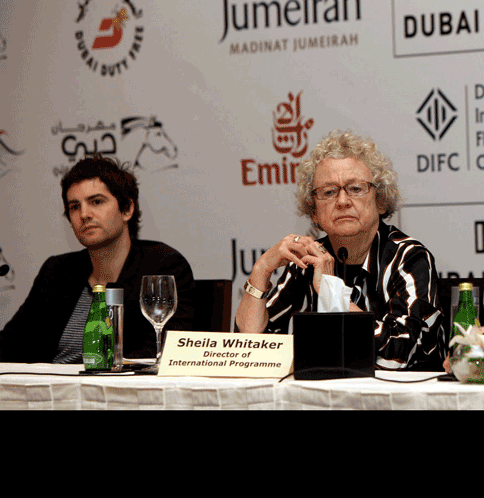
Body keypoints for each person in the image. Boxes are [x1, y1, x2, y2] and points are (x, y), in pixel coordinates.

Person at [235, 130, 446, 370]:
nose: (343, 201)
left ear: (381, 201)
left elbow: (399, 355)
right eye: (328, 191)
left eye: (355, 188)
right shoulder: (308, 259)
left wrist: (330, 289)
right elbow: (250, 350)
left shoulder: (409, 257)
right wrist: (261, 269)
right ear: (314, 212)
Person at [0, 155, 196, 363]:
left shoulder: (162, 266)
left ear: (127, 209)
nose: (84, 214)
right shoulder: (57, 271)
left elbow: (163, 352)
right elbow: (11, 344)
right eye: (74, 206)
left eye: (96, 201)